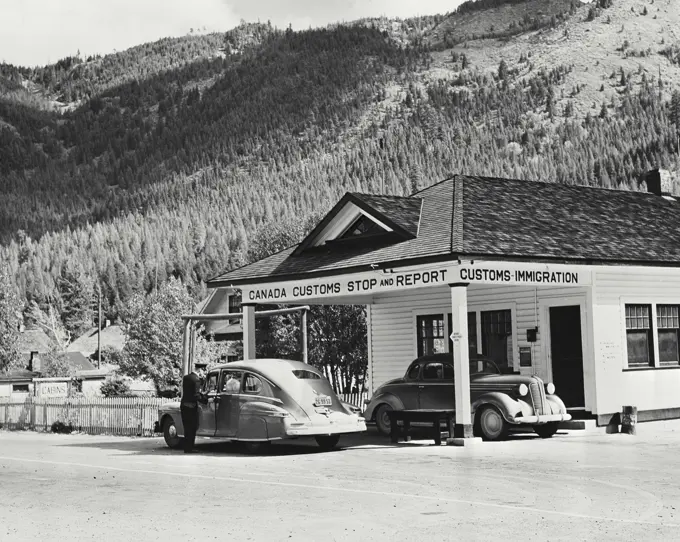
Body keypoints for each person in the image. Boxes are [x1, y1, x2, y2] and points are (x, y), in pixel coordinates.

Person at [180, 369, 201, 454]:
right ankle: (190, 448)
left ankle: (186, 447)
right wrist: (205, 399)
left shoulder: (186, 378)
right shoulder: (196, 380)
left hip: (184, 405)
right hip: (192, 406)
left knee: (186, 427)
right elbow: (196, 394)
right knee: (193, 427)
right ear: (200, 370)